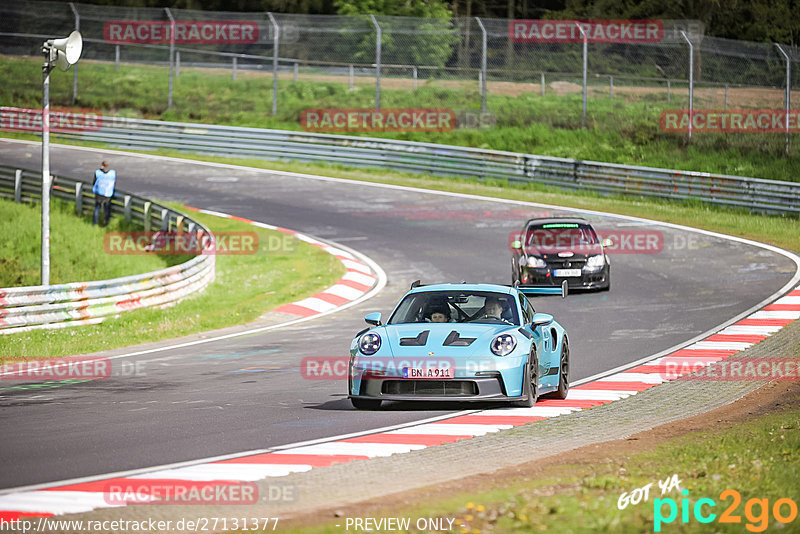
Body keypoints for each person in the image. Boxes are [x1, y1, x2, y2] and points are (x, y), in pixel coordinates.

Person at [92, 161, 116, 226]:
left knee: (97, 208)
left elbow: (93, 182)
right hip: (108, 193)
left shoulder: (97, 172)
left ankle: (95, 223)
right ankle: (106, 223)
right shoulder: (112, 173)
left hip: (99, 193)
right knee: (107, 209)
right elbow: (114, 183)